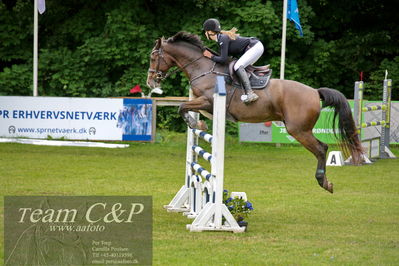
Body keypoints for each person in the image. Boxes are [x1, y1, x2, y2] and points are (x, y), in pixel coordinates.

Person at [202, 18, 264, 103]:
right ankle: (247, 91)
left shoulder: (222, 39)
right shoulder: (221, 39)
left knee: (238, 66)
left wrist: (210, 56)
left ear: (209, 32)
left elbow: (223, 59)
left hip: (255, 47)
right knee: (240, 68)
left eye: (205, 32)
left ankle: (250, 93)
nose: (205, 34)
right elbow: (226, 58)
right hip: (255, 47)